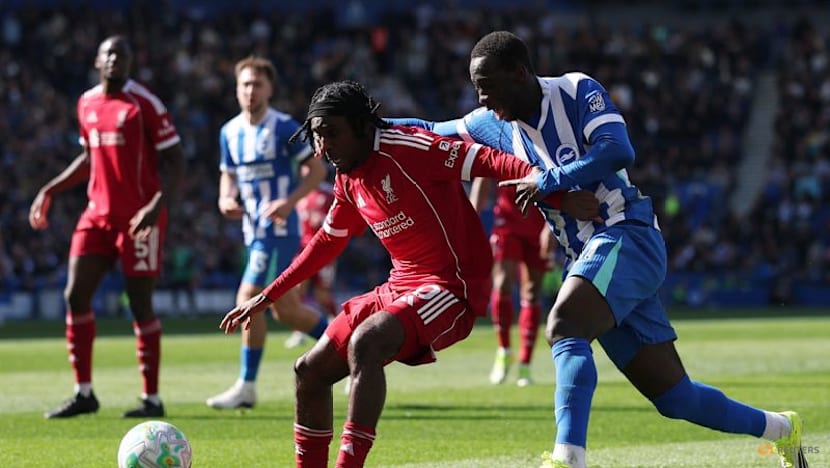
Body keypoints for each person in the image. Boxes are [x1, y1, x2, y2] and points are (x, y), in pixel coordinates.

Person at [394, 31, 808, 468]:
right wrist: (375, 128)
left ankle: (567, 459)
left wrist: (549, 181)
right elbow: (430, 132)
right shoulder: (490, 125)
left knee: (565, 323)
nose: (481, 97)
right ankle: (783, 428)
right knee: (675, 397)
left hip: (627, 234)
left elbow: (618, 151)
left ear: (520, 74)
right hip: (591, 257)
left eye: (488, 86)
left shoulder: (575, 90)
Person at [219, 80, 599, 468]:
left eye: (331, 134)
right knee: (309, 371)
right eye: (317, 137)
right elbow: (326, 243)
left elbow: (492, 160)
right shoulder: (348, 177)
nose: (322, 149)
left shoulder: (411, 148)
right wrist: (266, 297)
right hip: (399, 284)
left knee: (366, 342)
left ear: (363, 127)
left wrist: (557, 193)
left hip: (453, 288)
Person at [29, 35, 185, 419]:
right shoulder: (86, 102)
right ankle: (84, 393)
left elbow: (177, 162)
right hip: (97, 215)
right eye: (108, 54)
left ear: (130, 62)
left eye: (122, 54)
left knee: (140, 303)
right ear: (97, 61)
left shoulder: (144, 104)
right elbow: (88, 156)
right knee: (74, 295)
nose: (115, 59)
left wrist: (156, 205)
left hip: (139, 220)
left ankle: (152, 399)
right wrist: (50, 189)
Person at [206, 56, 329, 410]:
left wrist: (289, 203)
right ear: (236, 89)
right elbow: (227, 173)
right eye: (244, 84)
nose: (250, 90)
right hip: (253, 230)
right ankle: (348, 346)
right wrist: (224, 197)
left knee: (249, 296)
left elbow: (316, 170)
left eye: (257, 84)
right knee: (285, 311)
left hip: (279, 231)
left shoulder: (283, 127)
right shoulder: (229, 132)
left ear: (269, 89)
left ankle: (246, 385)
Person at [469, 178, 550, 386]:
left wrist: (551, 227)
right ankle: (504, 350)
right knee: (503, 282)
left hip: (539, 223)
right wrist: (470, 218)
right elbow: (483, 177)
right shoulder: (504, 144)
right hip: (507, 222)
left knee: (532, 291)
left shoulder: (543, 146)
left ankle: (525, 363)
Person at [284, 180, 338, 349]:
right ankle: (299, 331)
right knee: (297, 289)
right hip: (302, 251)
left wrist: (323, 221)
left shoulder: (329, 193)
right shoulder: (298, 194)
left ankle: (336, 323)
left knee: (322, 294)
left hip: (323, 250)